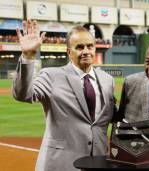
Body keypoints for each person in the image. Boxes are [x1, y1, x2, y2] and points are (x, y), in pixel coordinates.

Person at [13, 20, 116, 171]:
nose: (86, 51)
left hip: (98, 162)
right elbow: (23, 94)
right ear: (69, 52)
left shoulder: (108, 80)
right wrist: (28, 56)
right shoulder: (51, 76)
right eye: (79, 47)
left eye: (90, 46)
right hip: (61, 164)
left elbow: (109, 116)